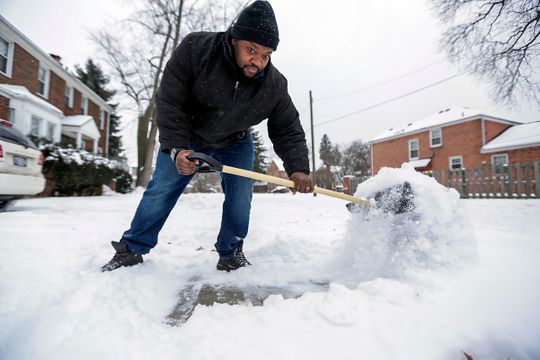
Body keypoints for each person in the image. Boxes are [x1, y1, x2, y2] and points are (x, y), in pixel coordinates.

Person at [101, 0, 312, 272]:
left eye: (266, 55)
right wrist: (176, 148)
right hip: (186, 135)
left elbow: (287, 127)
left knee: (240, 197)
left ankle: (231, 251)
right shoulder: (196, 50)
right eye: (251, 50)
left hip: (234, 141)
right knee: (161, 191)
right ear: (234, 39)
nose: (258, 62)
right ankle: (132, 248)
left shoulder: (273, 84)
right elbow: (170, 101)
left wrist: (299, 169)